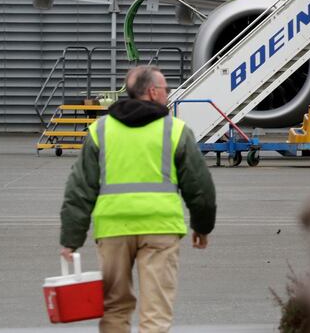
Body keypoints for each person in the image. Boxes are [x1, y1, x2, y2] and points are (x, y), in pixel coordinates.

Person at [59, 66, 216, 332]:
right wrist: (202, 227)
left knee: (114, 308)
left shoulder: (100, 130)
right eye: (165, 89)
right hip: (160, 230)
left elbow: (79, 188)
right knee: (155, 312)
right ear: (153, 92)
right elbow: (200, 187)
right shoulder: (175, 130)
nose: (167, 94)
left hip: (113, 230)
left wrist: (70, 240)